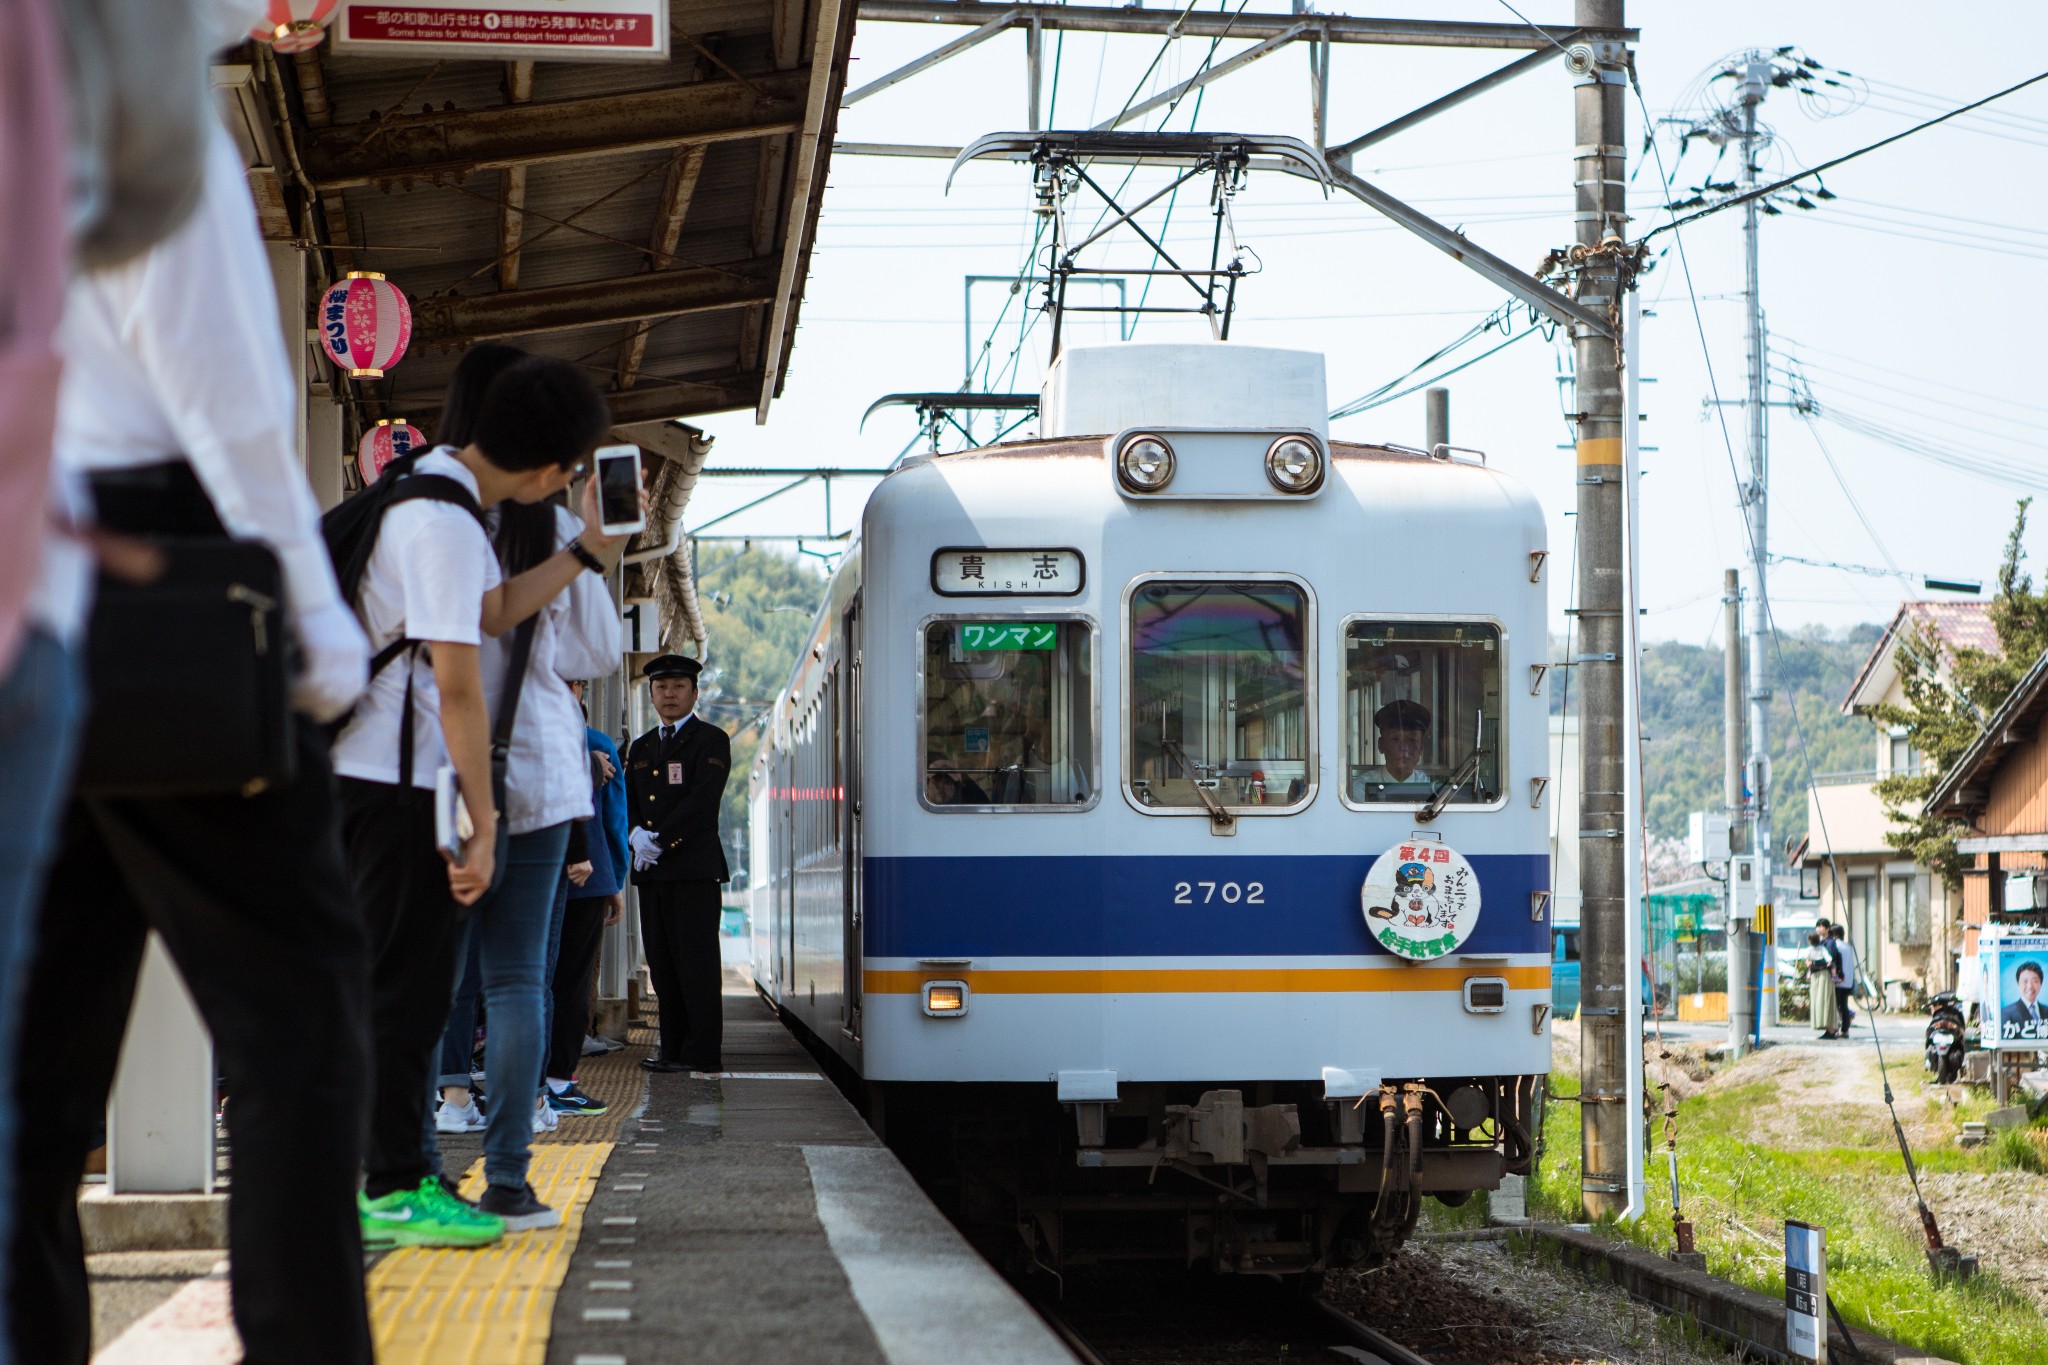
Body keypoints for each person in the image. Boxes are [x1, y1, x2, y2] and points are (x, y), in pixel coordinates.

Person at [9, 116, 376, 1364]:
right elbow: (226, 410)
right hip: (167, 580)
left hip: (20, 570)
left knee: (28, 1076)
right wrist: (314, 623)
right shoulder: (145, 111)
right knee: (298, 1033)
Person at [335, 354, 632, 1248]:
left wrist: (584, 549)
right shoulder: (444, 523)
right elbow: (464, 686)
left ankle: (407, 1172)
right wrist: (486, 824)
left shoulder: (426, 489)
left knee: (428, 985)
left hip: (401, 778)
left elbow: (494, 612)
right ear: (551, 472)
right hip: (398, 783)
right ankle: (400, 1184)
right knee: (433, 988)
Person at [626, 655, 733, 1074]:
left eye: (678, 686)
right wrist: (634, 834)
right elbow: (631, 801)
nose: (669, 694)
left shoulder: (711, 740)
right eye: (661, 687)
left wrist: (660, 841)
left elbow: (702, 802)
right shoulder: (642, 746)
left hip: (692, 870)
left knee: (697, 964)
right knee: (663, 964)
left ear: (694, 691)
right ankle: (671, 1050)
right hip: (652, 872)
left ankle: (702, 1053)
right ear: (651, 693)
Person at [546, 680, 629, 1115]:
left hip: (531, 871)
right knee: (572, 983)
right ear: (578, 690)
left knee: (527, 980)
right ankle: (559, 1080)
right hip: (587, 877)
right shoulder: (596, 745)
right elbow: (615, 819)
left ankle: (525, 1080)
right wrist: (615, 880)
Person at [1350, 700, 1434, 801]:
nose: (1404, 747)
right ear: (1381, 745)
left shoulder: (1432, 788)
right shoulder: (1361, 789)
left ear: (1421, 748)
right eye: (1395, 739)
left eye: (1412, 740)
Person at [1805, 931, 1841, 1038]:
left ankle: (1830, 1028)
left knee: (1822, 1001)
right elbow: (1830, 961)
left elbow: (1807, 961)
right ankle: (1830, 1028)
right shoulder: (1823, 948)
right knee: (1825, 1000)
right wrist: (1824, 964)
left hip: (1817, 975)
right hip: (1824, 974)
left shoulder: (1812, 949)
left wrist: (1813, 964)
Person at [2000, 960, 2045, 1039]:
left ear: (2040, 984)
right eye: (2025, 981)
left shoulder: (2046, 1010)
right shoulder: (2006, 1013)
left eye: (2035, 981)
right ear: (2018, 984)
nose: (2030, 986)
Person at [926, 752, 991, 805]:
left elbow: (984, 805)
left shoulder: (967, 792)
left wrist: (961, 776)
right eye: (935, 782)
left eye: (946, 783)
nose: (940, 787)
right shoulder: (922, 796)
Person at [1828, 923, 1859, 1034]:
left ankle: (1835, 1028)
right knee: (1844, 1005)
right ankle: (1845, 1029)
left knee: (1836, 1005)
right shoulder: (1848, 946)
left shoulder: (1834, 945)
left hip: (1838, 980)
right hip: (1848, 980)